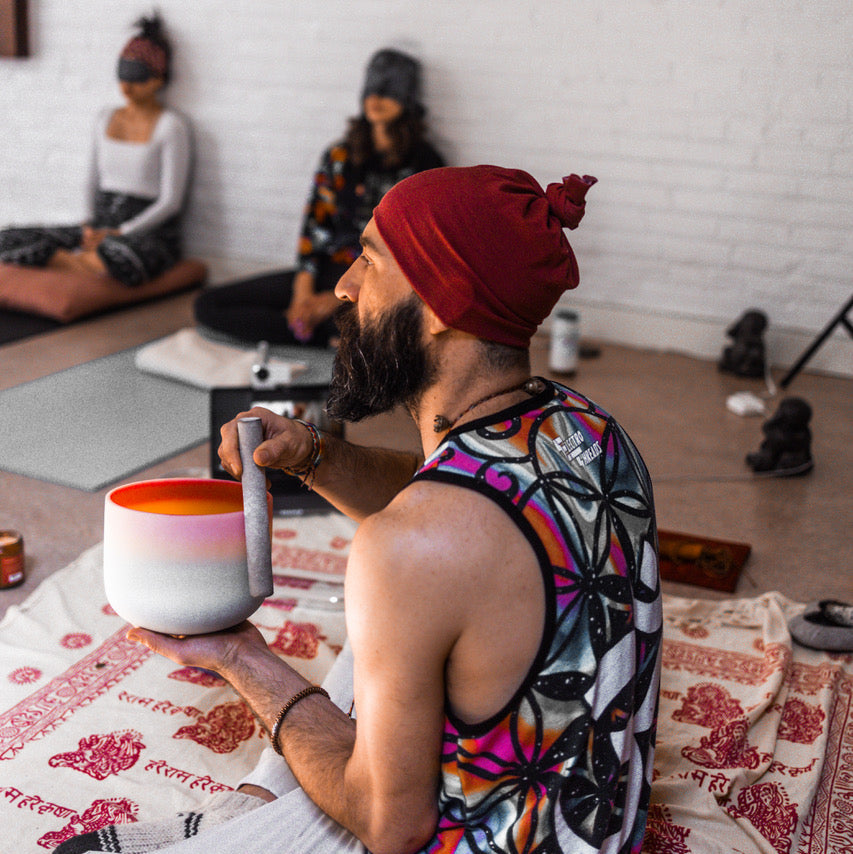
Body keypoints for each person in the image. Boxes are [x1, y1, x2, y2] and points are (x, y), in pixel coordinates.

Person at [57, 166, 662, 854]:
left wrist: (240, 658)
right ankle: (246, 811)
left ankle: (250, 826)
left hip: (478, 839)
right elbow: (441, 494)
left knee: (389, 578)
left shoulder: (417, 544)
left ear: (443, 306)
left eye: (370, 260)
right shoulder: (585, 425)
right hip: (595, 820)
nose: (343, 286)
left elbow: (390, 828)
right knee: (392, 602)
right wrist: (312, 456)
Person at [193, 47, 445, 348]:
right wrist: (303, 294)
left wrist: (338, 300)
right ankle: (324, 331)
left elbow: (415, 254)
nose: (375, 99)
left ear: (407, 98)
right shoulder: (339, 155)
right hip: (324, 271)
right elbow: (314, 229)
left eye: (388, 91)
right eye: (371, 90)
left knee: (402, 325)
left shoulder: (426, 165)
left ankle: (332, 329)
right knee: (208, 305)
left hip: (378, 284)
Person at [0, 14, 192, 288]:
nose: (126, 87)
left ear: (158, 79)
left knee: (122, 255)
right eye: (122, 77)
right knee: (6, 239)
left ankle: (71, 263)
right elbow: (91, 180)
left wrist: (121, 231)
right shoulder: (105, 118)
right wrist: (90, 226)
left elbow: (171, 201)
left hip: (144, 229)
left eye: (137, 79)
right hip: (99, 222)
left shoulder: (171, 127)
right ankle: (84, 263)